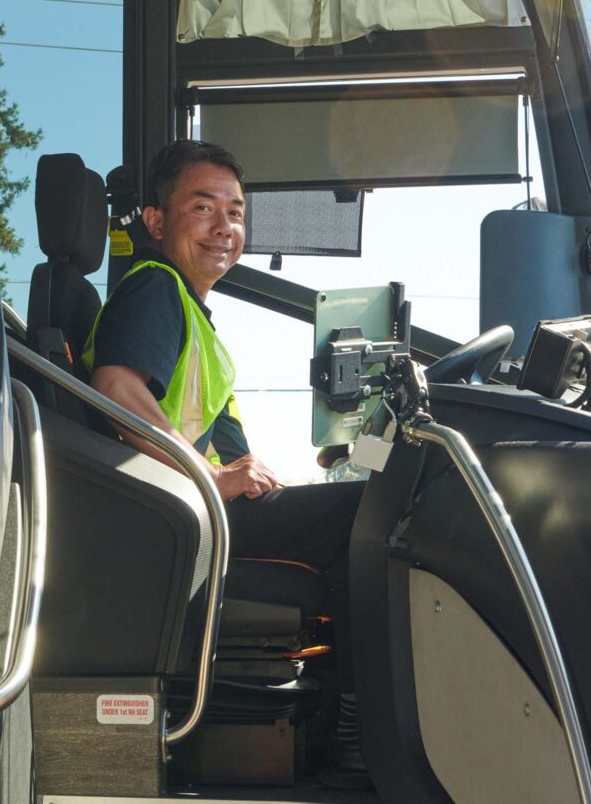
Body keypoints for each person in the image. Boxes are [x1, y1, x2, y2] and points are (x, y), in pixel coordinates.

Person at [81, 139, 369, 789]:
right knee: (367, 516)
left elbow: (224, 446)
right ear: (156, 222)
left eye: (235, 212)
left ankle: (345, 720)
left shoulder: (192, 313)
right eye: (202, 207)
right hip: (180, 516)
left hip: (193, 508)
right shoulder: (153, 288)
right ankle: (357, 732)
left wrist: (250, 474)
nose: (225, 227)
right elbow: (117, 391)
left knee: (349, 507)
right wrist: (209, 477)